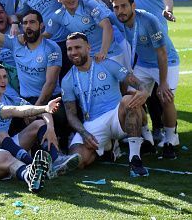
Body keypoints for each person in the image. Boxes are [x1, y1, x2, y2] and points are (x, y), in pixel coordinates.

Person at [61, 33, 149, 177]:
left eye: (78, 47)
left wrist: (144, 90)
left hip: (116, 116)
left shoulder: (106, 64)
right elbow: (70, 114)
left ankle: (134, 159)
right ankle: (107, 148)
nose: (73, 52)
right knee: (78, 160)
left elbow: (130, 79)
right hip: (93, 122)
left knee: (128, 100)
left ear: (88, 48)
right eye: (70, 49)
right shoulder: (67, 79)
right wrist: (84, 133)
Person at [110, 0, 180, 159]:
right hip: (143, 63)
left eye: (124, 6)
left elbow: (162, 53)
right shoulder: (118, 19)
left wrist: (162, 83)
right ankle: (146, 138)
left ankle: (171, 140)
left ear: (133, 5)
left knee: (166, 97)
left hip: (166, 61)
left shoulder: (148, 20)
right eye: (116, 7)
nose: (120, 11)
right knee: (132, 97)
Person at [0, 63, 80, 177]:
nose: (3, 80)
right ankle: (33, 165)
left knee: (39, 123)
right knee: (1, 135)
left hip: (8, 146)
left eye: (5, 76)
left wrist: (50, 127)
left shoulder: (12, 100)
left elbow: (40, 110)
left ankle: (56, 160)